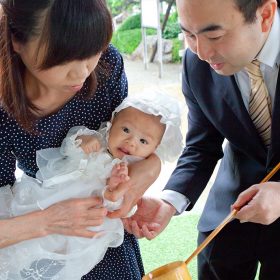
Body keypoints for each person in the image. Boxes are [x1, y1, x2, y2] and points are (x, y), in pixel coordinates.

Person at [0, 1, 162, 279]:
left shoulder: (107, 64)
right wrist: (49, 221)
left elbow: (129, 138)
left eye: (93, 51)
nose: (82, 72)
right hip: (40, 238)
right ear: (17, 40)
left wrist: (147, 169)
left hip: (101, 229)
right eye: (63, 59)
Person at [123, 0, 280, 279]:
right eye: (188, 34)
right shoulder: (196, 62)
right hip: (232, 207)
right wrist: (169, 202)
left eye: (214, 36)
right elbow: (202, 144)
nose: (203, 52)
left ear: (265, 15)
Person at [0, 93, 183, 279]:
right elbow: (67, 153)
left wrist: (113, 191)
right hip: (50, 201)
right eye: (126, 130)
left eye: (143, 141)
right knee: (26, 246)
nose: (131, 142)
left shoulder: (130, 172)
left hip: (86, 227)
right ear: (113, 120)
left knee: (58, 261)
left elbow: (119, 208)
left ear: (154, 148)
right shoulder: (98, 141)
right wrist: (81, 143)